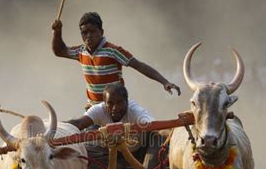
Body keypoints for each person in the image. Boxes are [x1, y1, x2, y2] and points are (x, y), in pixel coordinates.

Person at [52, 12, 180, 108]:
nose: (88, 36)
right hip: (94, 108)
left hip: (116, 109)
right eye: (84, 33)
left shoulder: (113, 51)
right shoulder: (81, 51)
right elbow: (59, 51)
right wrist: (57, 32)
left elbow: (139, 65)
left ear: (101, 32)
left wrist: (165, 82)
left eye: (92, 31)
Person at [67, 84, 164, 169]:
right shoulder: (98, 110)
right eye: (110, 103)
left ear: (127, 102)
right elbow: (78, 123)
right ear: (104, 103)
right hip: (111, 155)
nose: (115, 108)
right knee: (81, 152)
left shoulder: (135, 110)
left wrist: (173, 127)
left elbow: (154, 125)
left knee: (157, 136)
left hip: (138, 153)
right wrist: (57, 128)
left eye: (119, 103)